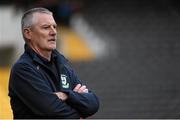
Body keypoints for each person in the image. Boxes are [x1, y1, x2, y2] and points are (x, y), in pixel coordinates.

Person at [8, 7, 99, 119]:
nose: (54, 32)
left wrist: (66, 95)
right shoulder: (23, 69)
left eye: (54, 27)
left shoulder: (62, 65)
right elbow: (52, 111)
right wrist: (78, 115)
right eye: (46, 27)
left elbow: (93, 103)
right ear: (28, 33)